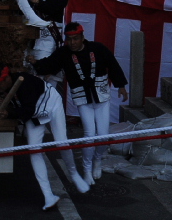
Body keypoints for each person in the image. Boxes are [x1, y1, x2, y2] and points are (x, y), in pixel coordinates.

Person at [31, 22, 128, 183]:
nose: (72, 42)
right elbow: (49, 65)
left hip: (102, 97)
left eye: (76, 39)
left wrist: (121, 86)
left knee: (103, 136)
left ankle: (97, 160)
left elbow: (113, 65)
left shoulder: (98, 48)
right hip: (83, 99)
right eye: (69, 39)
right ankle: (87, 168)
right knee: (89, 135)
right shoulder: (63, 53)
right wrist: (35, 63)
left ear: (83, 37)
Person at [0, 63, 91, 209]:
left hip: (51, 104)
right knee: (34, 150)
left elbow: (27, 110)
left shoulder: (25, 82)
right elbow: (26, 111)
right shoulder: (4, 89)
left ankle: (74, 174)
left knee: (61, 142)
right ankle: (48, 195)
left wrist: (9, 113)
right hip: (34, 116)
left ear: (6, 78)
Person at [25, 0, 68, 73]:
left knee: (44, 68)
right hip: (31, 36)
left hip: (49, 36)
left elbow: (52, 9)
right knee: (28, 68)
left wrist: (35, 0)